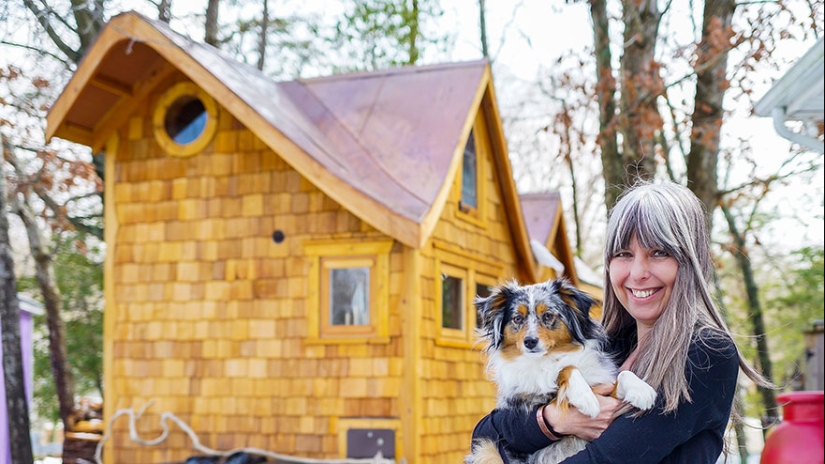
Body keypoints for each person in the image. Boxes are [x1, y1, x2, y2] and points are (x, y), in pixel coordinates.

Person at [471, 181, 772, 463]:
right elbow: (485, 434)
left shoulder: (706, 353)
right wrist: (554, 420)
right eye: (624, 254)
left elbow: (606, 459)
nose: (638, 272)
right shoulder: (609, 346)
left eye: (659, 252)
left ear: (691, 261)